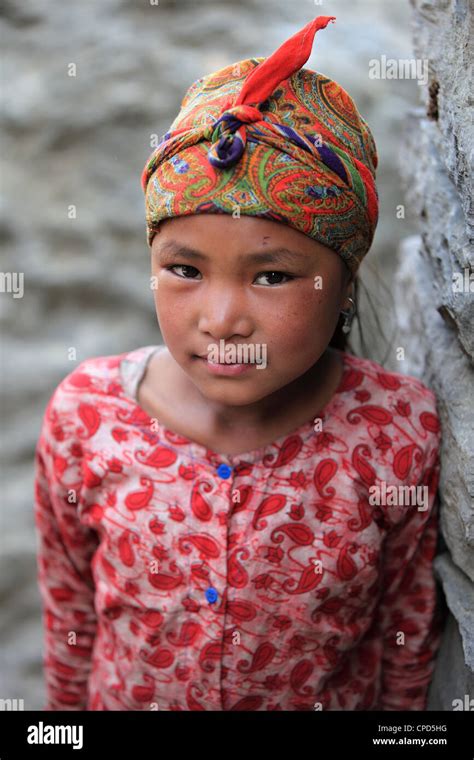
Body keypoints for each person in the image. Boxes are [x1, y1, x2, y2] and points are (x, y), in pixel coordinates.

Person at [33, 16, 443, 711]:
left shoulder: (395, 435)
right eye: (185, 268)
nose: (221, 319)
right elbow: (71, 622)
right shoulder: (86, 417)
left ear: (345, 284)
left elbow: (405, 642)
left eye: (272, 276)